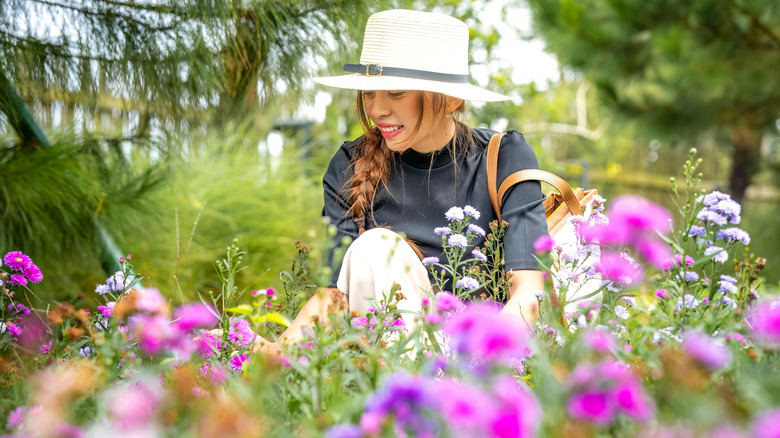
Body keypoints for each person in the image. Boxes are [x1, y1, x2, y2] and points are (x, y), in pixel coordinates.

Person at [255, 9, 547, 352]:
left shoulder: (502, 157)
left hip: (478, 359)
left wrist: (479, 369)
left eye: (395, 93)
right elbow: (332, 298)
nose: (377, 110)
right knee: (375, 248)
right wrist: (269, 355)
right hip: (383, 365)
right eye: (369, 93)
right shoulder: (349, 165)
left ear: (451, 98)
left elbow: (528, 291)